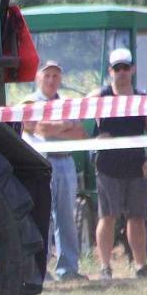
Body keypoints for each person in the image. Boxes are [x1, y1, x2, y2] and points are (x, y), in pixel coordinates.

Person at [89, 48, 147, 280]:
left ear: (133, 70)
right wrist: (94, 140)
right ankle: (105, 267)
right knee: (107, 217)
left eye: (125, 67)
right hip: (107, 167)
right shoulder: (100, 96)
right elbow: (75, 114)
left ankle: (140, 265)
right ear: (110, 71)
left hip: (137, 166)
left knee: (137, 217)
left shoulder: (143, 99)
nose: (121, 72)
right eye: (117, 68)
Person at [22, 61, 88, 281]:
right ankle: (41, 268)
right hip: (42, 163)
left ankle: (68, 268)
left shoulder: (67, 103)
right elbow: (38, 127)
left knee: (66, 217)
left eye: (55, 76)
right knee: (42, 217)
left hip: (66, 163)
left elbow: (79, 133)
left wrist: (54, 126)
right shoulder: (30, 102)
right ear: (39, 78)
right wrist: (64, 125)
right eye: (47, 75)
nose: (51, 80)